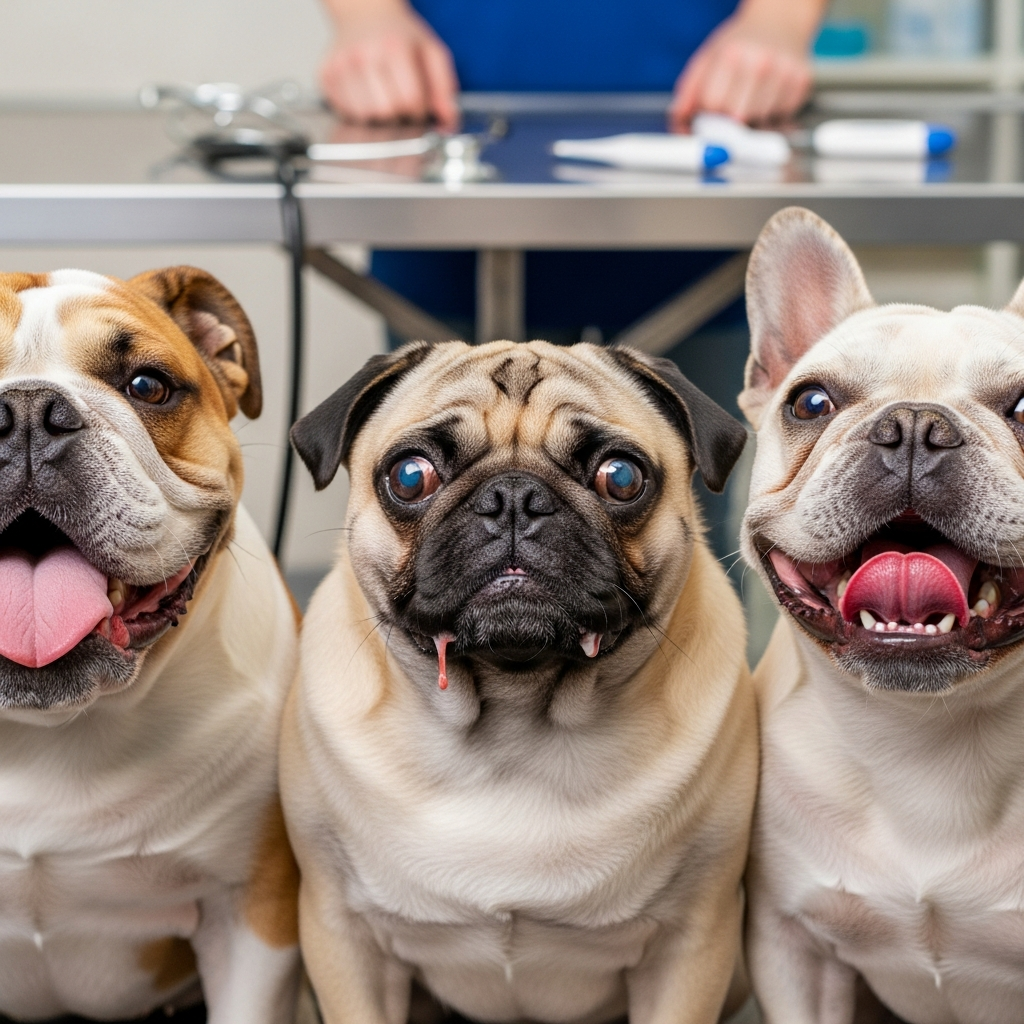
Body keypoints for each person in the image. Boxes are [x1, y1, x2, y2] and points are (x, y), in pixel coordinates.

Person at [315, 0, 826, 346]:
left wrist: (778, 20)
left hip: (710, 193)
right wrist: (368, 15)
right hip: (441, 185)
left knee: (693, 498)